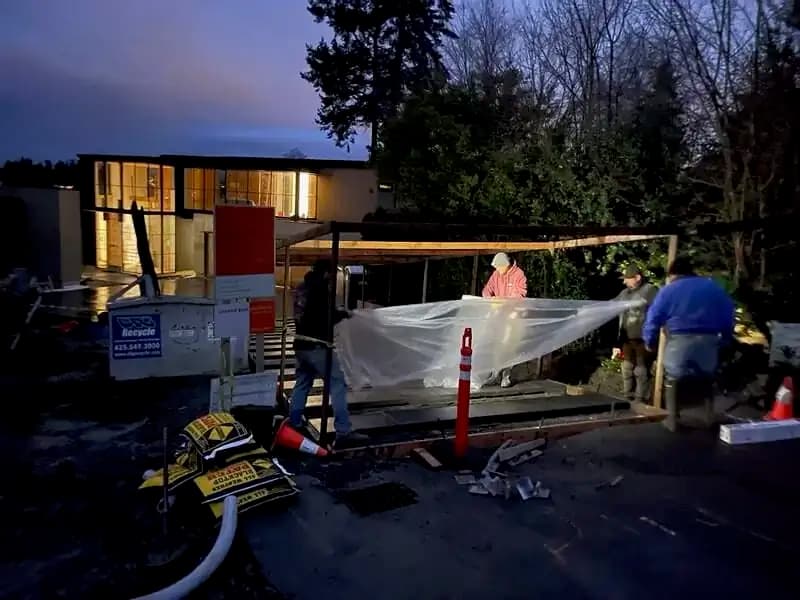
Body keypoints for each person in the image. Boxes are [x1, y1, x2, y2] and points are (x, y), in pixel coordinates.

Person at [642, 256, 735, 431]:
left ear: (673, 274)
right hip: (708, 339)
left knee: (673, 377)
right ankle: (709, 417)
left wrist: (650, 341)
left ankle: (672, 420)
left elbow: (653, 317)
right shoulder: (712, 287)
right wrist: (726, 339)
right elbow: (727, 313)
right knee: (707, 378)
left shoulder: (669, 290)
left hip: (680, 340)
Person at [288, 259, 368, 449]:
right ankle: (343, 432)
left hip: (301, 344)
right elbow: (324, 318)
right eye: (332, 274)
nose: (333, 278)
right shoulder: (321, 289)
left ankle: (294, 423)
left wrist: (334, 311)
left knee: (303, 383)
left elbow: (309, 314)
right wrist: (343, 314)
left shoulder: (302, 287)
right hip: (317, 345)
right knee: (337, 383)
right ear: (326, 273)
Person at [612, 264, 658, 403]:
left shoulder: (650, 291)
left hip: (643, 339)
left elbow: (659, 312)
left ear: (637, 277)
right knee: (626, 368)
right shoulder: (624, 294)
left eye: (627, 278)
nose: (624, 281)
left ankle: (640, 399)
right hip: (627, 338)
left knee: (641, 371)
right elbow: (611, 306)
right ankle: (627, 396)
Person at [481, 252, 528, 388]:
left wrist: (505, 302)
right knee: (496, 345)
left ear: (505, 265)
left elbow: (521, 294)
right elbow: (487, 290)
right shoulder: (496, 275)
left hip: (513, 317)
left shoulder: (519, 275)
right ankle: (495, 374)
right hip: (498, 316)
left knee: (508, 346)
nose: (497, 271)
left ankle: (506, 376)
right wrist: (489, 299)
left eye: (498, 267)